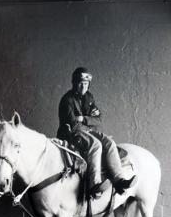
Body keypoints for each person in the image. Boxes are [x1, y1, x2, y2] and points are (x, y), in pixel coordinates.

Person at [57, 67, 136, 196]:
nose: (83, 87)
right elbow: (73, 124)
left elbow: (99, 120)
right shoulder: (67, 100)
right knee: (96, 145)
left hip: (86, 130)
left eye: (86, 84)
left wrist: (83, 118)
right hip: (71, 133)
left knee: (109, 142)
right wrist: (89, 124)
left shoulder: (89, 97)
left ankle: (119, 180)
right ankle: (94, 184)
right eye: (81, 83)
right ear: (74, 83)